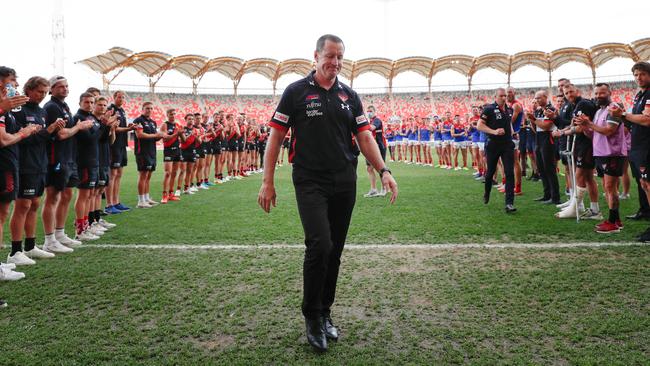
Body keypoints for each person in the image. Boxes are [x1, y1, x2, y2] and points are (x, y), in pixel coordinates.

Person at [258, 34, 398, 352]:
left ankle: (325, 312)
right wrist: (267, 181)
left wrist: (384, 171)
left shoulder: (349, 95)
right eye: (330, 56)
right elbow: (275, 138)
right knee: (319, 245)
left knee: (334, 251)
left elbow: (364, 138)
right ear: (316, 55)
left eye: (340, 58)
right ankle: (311, 316)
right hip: (309, 180)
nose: (334, 62)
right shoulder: (295, 92)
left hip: (344, 181)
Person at [10, 76, 65, 261]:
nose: (42, 95)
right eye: (39, 92)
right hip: (24, 164)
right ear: (29, 90)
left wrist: (52, 130)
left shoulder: (41, 111)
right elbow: (22, 137)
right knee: (23, 205)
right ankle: (15, 251)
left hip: (40, 164)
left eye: (44, 92)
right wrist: (48, 131)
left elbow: (42, 138)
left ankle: (30, 246)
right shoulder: (18, 110)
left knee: (34, 204)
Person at [42, 76, 93, 250]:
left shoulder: (63, 106)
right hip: (57, 158)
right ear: (51, 89)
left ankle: (60, 234)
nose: (65, 89)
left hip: (69, 158)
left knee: (66, 196)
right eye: (60, 86)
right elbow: (61, 134)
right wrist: (79, 127)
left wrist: (78, 127)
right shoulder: (51, 107)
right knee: (53, 197)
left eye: (67, 86)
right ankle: (49, 240)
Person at [1, 68, 43, 265]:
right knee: (8, 211)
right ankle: (14, 252)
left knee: (14, 210)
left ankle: (26, 248)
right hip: (10, 164)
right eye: (12, 81)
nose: (15, 85)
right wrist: (24, 133)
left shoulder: (8, 110)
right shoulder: (8, 109)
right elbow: (4, 139)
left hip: (17, 163)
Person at [608, 61, 650, 242]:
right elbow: (635, 119)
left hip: (648, 147)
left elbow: (647, 119)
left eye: (642, 74)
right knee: (644, 185)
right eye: (635, 75)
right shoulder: (640, 95)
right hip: (639, 146)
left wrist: (623, 115)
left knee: (648, 185)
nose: (638, 77)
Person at [578, 83, 626, 233]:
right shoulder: (599, 111)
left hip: (612, 154)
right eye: (597, 93)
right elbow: (595, 133)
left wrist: (589, 124)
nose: (599, 96)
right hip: (600, 153)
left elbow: (609, 131)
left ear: (609, 93)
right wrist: (585, 127)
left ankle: (613, 222)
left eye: (602, 93)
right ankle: (616, 220)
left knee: (610, 188)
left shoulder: (614, 108)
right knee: (608, 187)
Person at [477, 88, 516, 213]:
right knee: (490, 173)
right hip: (493, 144)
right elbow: (479, 125)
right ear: (495, 96)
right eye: (501, 96)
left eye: (505, 96)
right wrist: (494, 131)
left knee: (509, 173)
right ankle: (487, 192)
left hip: (507, 145)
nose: (504, 98)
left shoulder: (509, 109)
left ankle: (509, 203)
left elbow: (508, 122)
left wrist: (512, 132)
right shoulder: (488, 109)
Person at [526, 90, 560, 204]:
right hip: (539, 140)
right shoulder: (539, 111)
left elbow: (546, 127)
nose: (536, 100)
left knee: (549, 169)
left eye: (539, 98)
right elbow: (536, 129)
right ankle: (547, 195)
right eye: (535, 98)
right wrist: (531, 119)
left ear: (545, 97)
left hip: (548, 141)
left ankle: (555, 197)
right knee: (541, 169)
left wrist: (534, 120)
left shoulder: (551, 110)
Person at [106, 90, 133, 214]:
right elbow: (114, 128)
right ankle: (109, 204)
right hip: (114, 145)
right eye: (119, 97)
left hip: (122, 145)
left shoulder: (122, 111)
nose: (121, 99)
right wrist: (129, 128)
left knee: (119, 175)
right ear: (114, 97)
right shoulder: (111, 109)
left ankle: (116, 202)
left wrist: (128, 127)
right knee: (112, 176)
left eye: (123, 97)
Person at [133, 102, 163, 208]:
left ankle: (146, 198)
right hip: (142, 152)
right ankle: (140, 201)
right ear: (142, 109)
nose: (149, 110)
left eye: (151, 108)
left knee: (148, 176)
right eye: (147, 108)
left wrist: (160, 136)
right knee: (143, 176)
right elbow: (140, 135)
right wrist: (155, 135)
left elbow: (154, 137)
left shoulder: (153, 122)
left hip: (152, 151)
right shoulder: (138, 120)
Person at [364, 105, 386, 197]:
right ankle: (373, 189)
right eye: (368, 111)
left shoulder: (377, 120)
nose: (369, 112)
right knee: (369, 168)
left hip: (379, 147)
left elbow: (371, 128)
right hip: (371, 148)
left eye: (370, 111)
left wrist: (360, 125)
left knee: (380, 168)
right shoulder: (370, 121)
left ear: (374, 111)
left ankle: (384, 188)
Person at [161, 108, 182, 203]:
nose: (173, 116)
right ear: (167, 115)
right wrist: (176, 133)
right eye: (171, 114)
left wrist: (181, 134)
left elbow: (182, 139)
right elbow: (165, 139)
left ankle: (171, 194)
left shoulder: (177, 125)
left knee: (174, 173)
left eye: (174, 114)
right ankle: (164, 195)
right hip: (168, 151)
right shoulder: (164, 125)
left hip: (177, 150)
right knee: (167, 173)